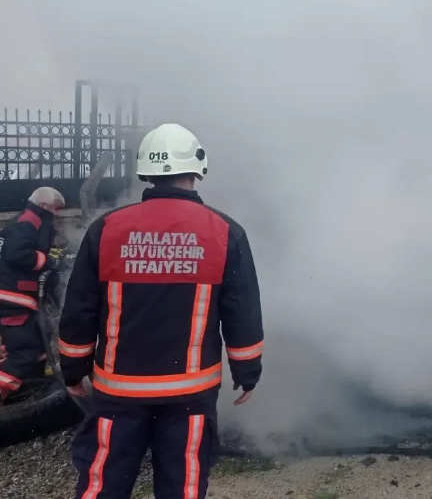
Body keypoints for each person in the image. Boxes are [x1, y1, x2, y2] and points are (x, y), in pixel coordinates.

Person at [58, 123, 264, 499]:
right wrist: (247, 371)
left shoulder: (106, 230)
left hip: (118, 390)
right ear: (197, 167)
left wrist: (72, 371)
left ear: (146, 173)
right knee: (182, 484)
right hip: (191, 391)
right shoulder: (224, 232)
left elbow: (79, 311)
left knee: (102, 482)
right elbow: (242, 311)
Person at [0, 187, 65, 402]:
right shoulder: (28, 223)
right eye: (56, 209)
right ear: (44, 206)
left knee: (39, 340)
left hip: (18, 297)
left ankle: (28, 389)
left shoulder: (27, 221)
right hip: (12, 298)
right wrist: (47, 261)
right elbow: (17, 254)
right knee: (24, 353)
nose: (58, 215)